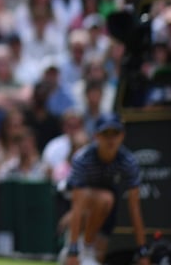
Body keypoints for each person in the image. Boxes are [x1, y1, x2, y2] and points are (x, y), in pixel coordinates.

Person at [62, 113, 149, 265]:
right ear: (96, 136)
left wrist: (142, 250)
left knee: (101, 253)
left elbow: (135, 208)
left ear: (122, 135)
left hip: (106, 203)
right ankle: (81, 247)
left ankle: (86, 249)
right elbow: (77, 205)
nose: (111, 139)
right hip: (73, 198)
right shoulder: (83, 158)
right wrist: (73, 249)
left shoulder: (128, 161)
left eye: (115, 133)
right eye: (105, 134)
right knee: (105, 199)